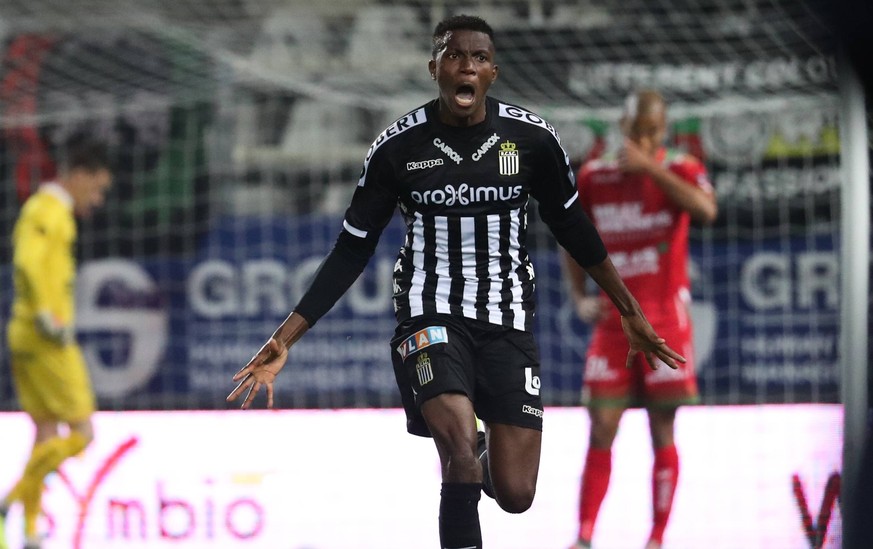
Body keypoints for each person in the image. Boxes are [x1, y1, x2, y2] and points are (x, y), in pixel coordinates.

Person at [227, 16, 685, 549]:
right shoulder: (396, 148)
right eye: (453, 55)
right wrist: (285, 337)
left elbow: (574, 229)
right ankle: (471, 458)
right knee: (460, 451)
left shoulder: (532, 141)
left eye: (478, 57)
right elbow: (352, 248)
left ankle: (490, 450)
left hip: (507, 321)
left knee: (516, 493)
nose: (466, 64)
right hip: (430, 315)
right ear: (434, 69)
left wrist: (628, 308)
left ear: (493, 71)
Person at [563, 90, 717, 549]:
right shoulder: (595, 176)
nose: (645, 140)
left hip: (666, 319)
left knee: (662, 427)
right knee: (602, 425)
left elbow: (707, 211)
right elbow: (572, 237)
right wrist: (577, 296)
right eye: (638, 132)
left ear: (662, 130)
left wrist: (651, 168)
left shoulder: (680, 169)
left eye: (653, 132)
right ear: (623, 128)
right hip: (613, 323)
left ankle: (656, 539)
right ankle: (585, 536)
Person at [0, 133, 113, 549]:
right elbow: (28, 261)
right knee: (83, 433)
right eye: (98, 187)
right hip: (45, 338)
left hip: (26, 335)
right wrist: (48, 314)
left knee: (46, 435)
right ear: (79, 176)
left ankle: (28, 530)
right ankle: (9, 501)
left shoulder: (46, 209)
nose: (98, 199)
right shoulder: (50, 210)